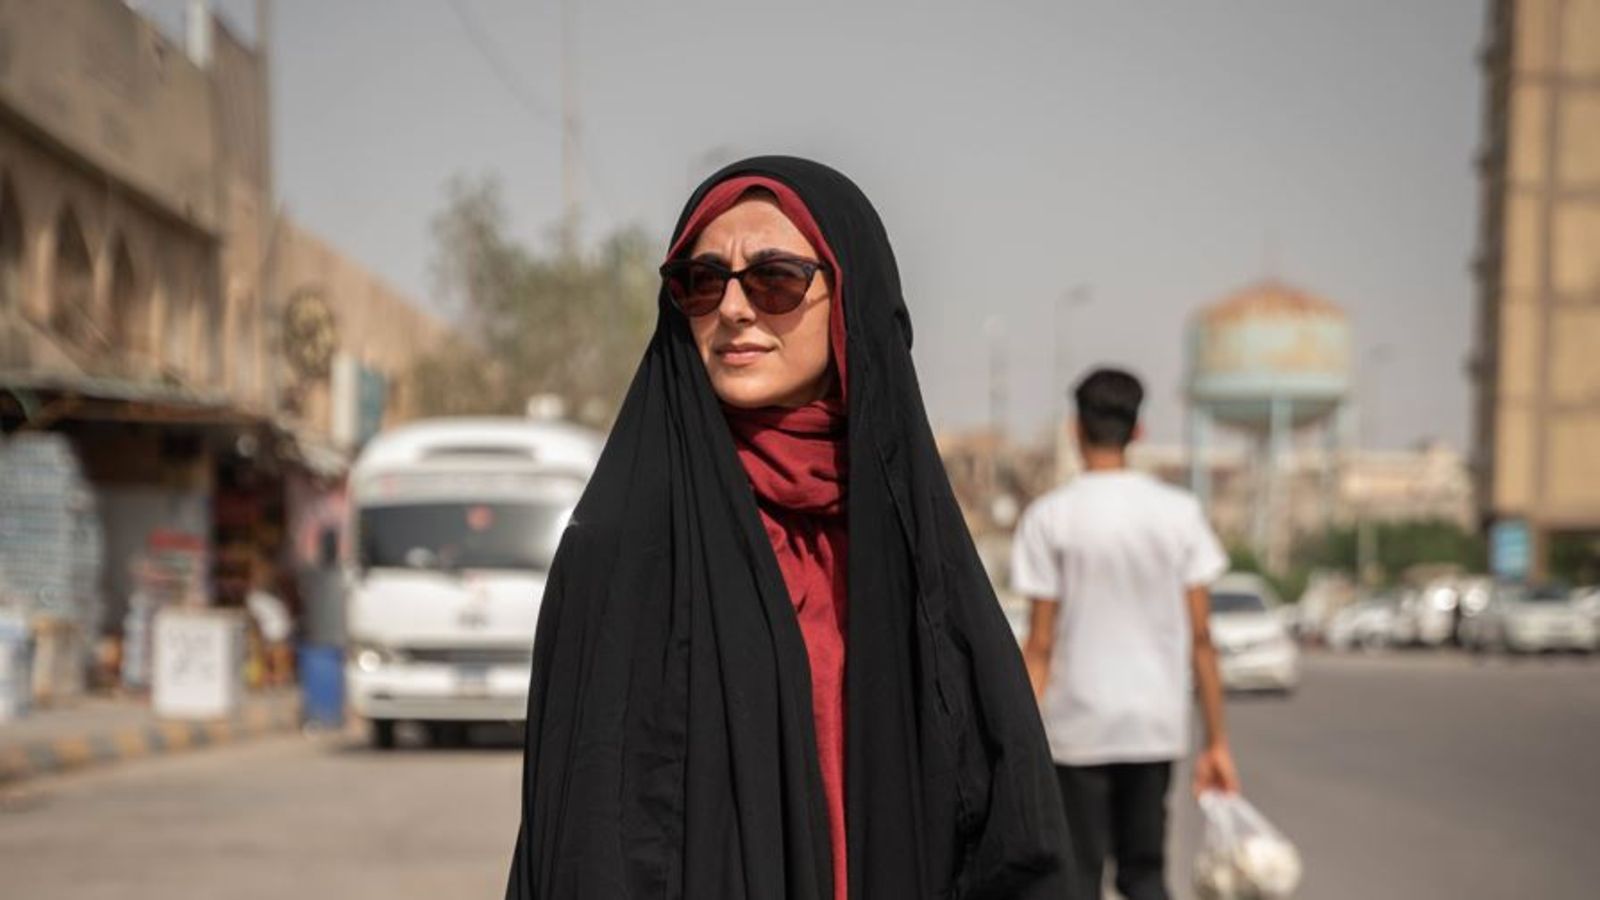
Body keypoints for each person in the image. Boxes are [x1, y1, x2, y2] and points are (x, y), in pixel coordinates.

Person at [504, 157, 1077, 899]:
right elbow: (587, 834)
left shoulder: (908, 545)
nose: (735, 310)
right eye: (701, 282)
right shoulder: (621, 546)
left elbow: (1001, 811)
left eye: (775, 280)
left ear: (851, 302)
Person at [1012, 368, 1239, 900]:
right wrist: (1217, 742)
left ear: (1075, 429)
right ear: (1139, 431)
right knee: (1145, 873)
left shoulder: (1050, 518)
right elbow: (1201, 638)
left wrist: (1016, 743)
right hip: (1152, 725)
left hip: (1076, 728)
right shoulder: (1180, 514)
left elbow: (1040, 645)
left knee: (1079, 878)